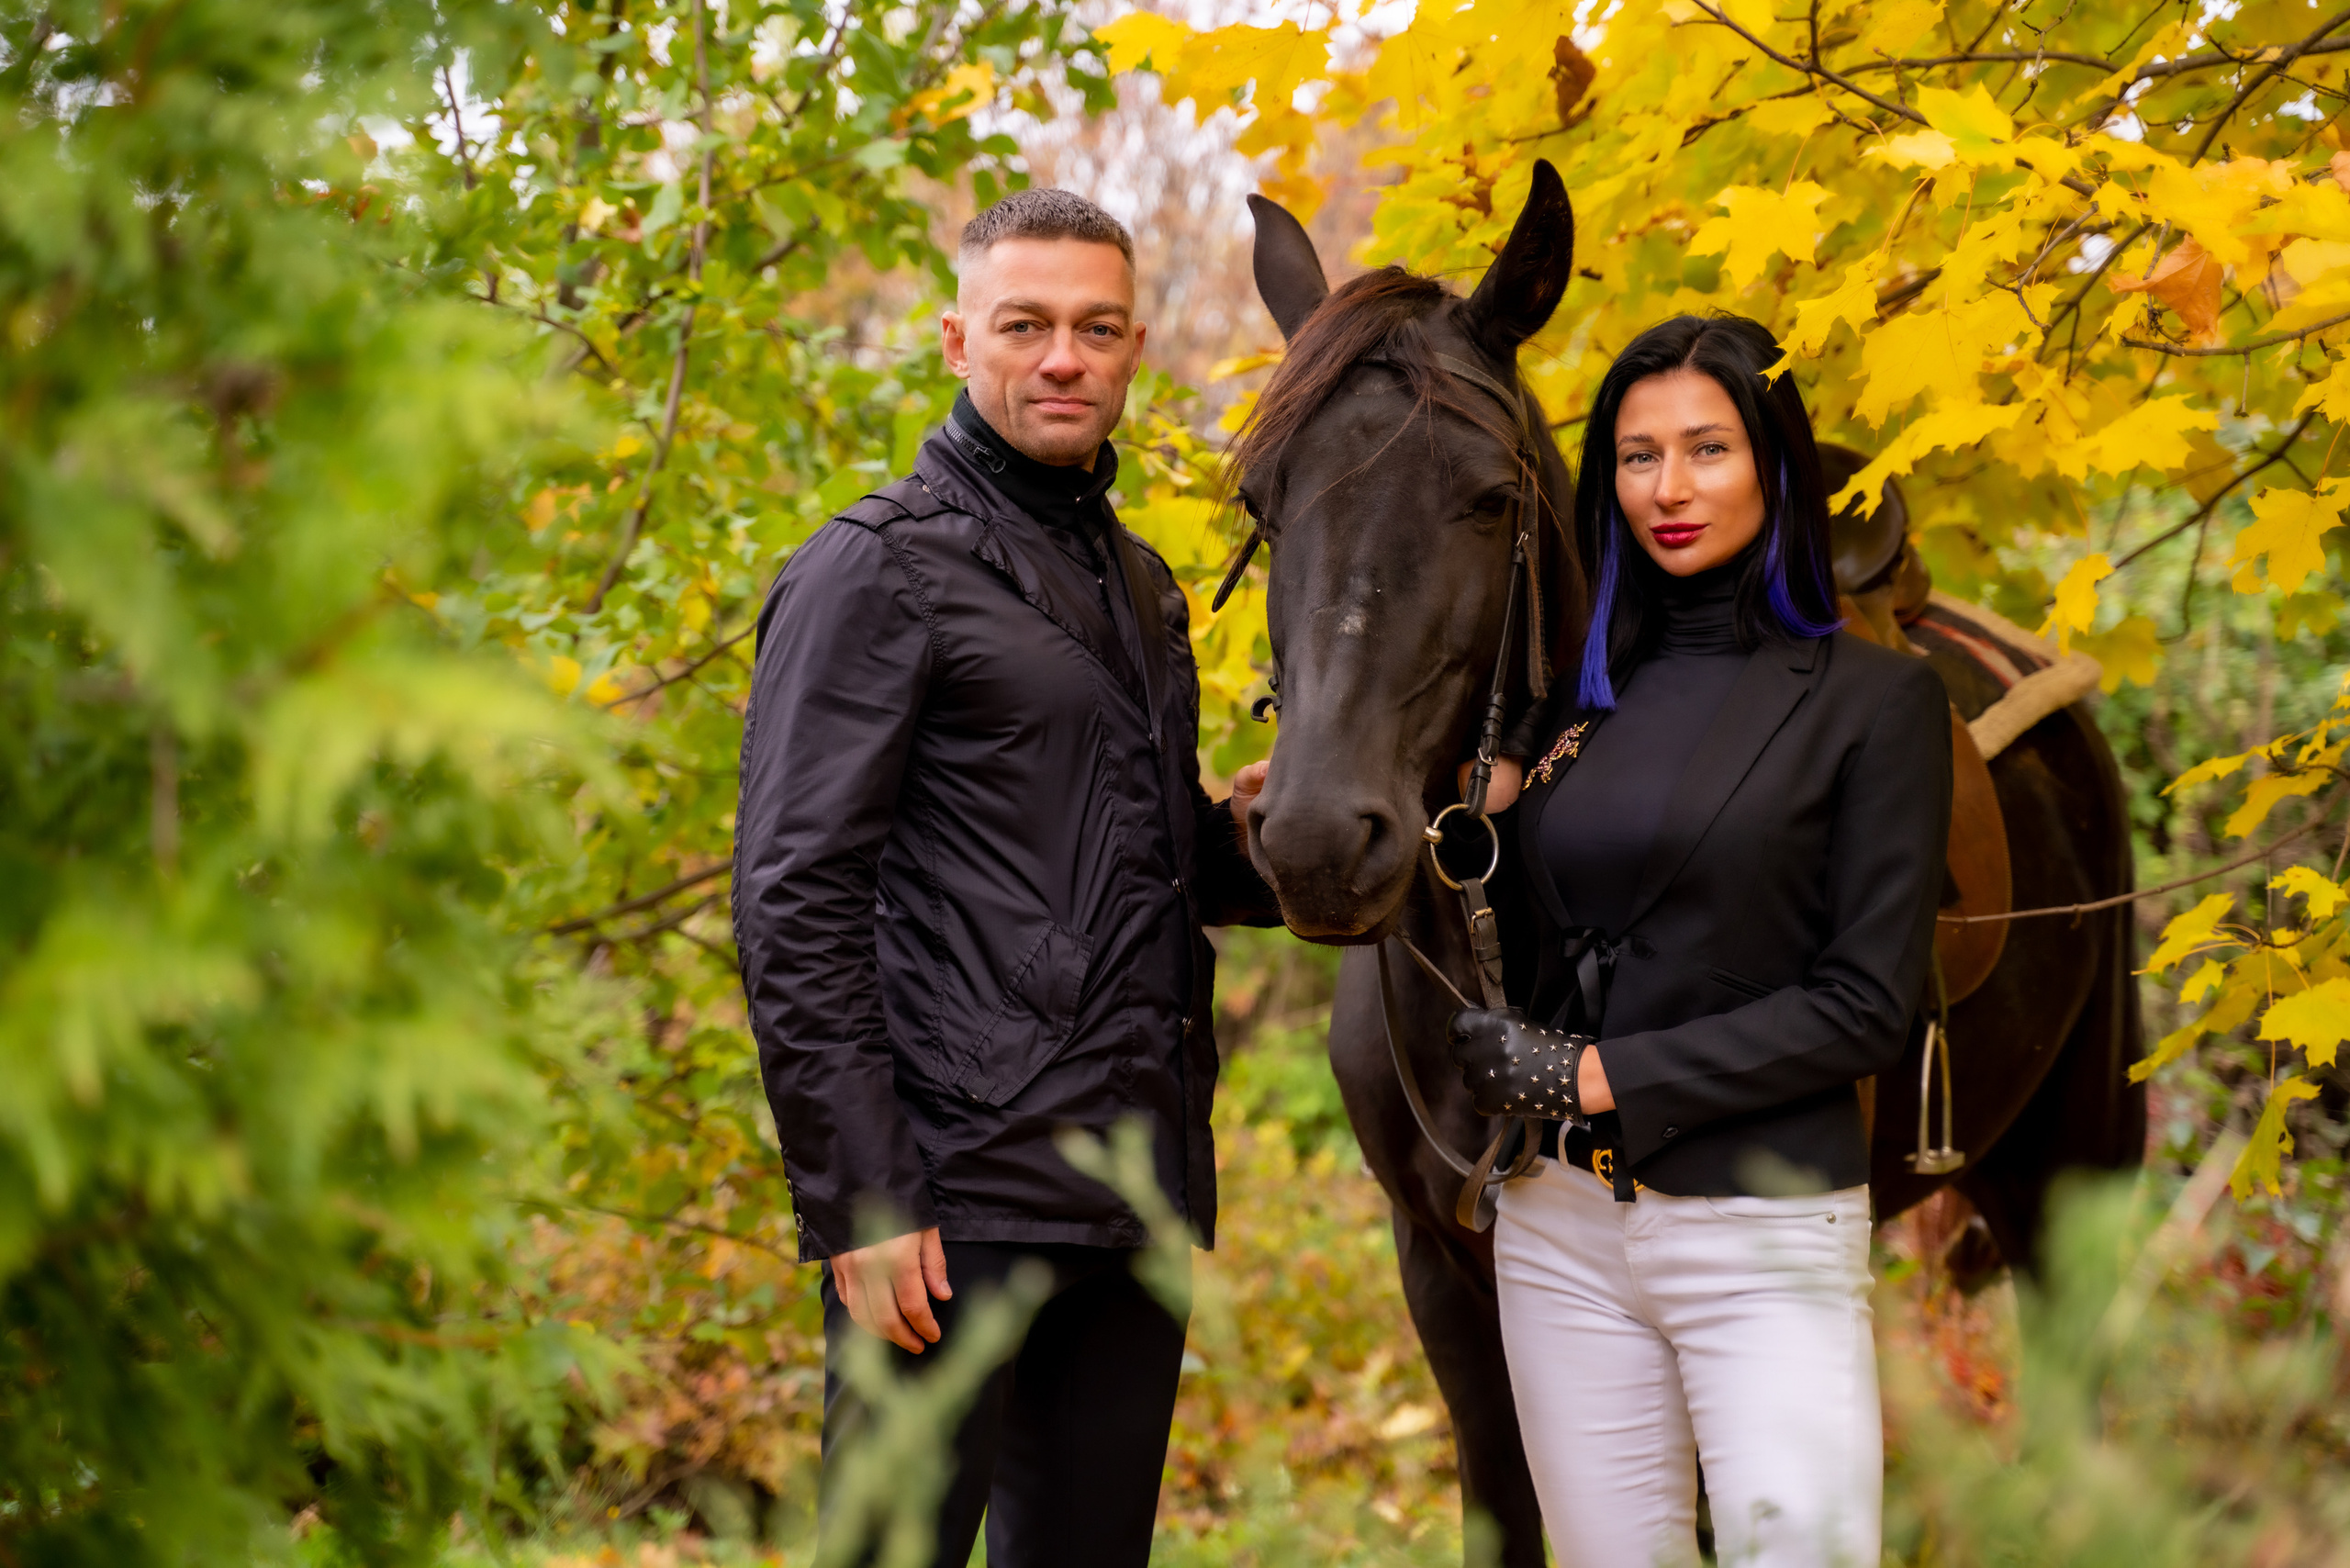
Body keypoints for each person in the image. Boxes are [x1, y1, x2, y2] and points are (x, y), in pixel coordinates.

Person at [731, 188, 1279, 1568]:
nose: (1062, 358)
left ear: (1136, 346)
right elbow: (793, 895)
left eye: (1096, 329)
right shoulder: (874, 571)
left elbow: (1142, 859)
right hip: (948, 1194)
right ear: (954, 339)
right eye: (1025, 325)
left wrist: (1276, 836)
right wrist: (862, 1193)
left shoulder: (1145, 588)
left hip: (1129, 1182)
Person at [1446, 313, 1951, 1567]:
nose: (1668, 489)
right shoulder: (1568, 709)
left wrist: (1605, 1077)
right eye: (1636, 456)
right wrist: (1492, 826)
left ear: (1775, 465)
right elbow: (1553, 948)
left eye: (1708, 450)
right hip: (1559, 1231)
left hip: (1761, 1231)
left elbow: (1866, 1005)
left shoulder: (1877, 703)